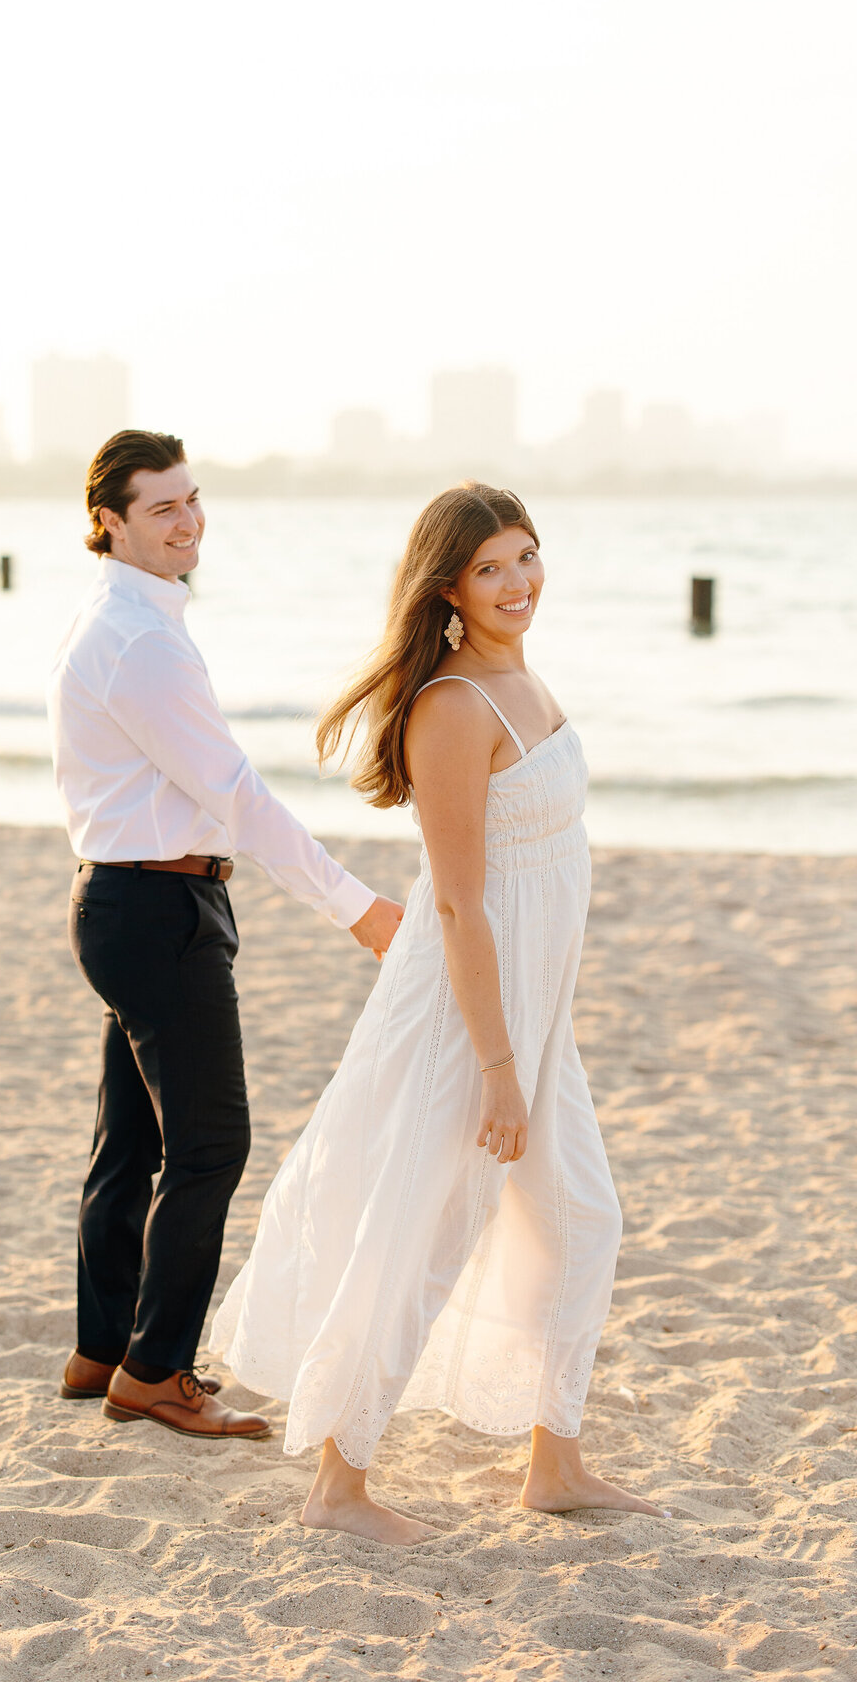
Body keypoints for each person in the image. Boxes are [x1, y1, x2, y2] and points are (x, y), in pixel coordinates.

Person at [211, 481, 666, 1538]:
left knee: (577, 1220)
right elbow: (459, 902)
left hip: (532, 1019)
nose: (518, 583)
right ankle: (338, 1490)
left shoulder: (526, 681)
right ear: (448, 588)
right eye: (491, 568)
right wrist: (500, 1064)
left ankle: (555, 1465)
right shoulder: (455, 707)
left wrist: (539, 1033)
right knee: (419, 1231)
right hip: (470, 1020)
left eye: (527, 556)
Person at [46, 429, 404, 1443]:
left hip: (126, 903)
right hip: (157, 913)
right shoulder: (140, 638)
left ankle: (102, 1349)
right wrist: (359, 908)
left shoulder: (121, 619)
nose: (189, 520)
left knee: (134, 1142)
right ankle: (155, 1370)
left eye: (192, 499)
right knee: (211, 1145)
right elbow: (238, 800)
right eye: (162, 507)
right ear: (107, 522)